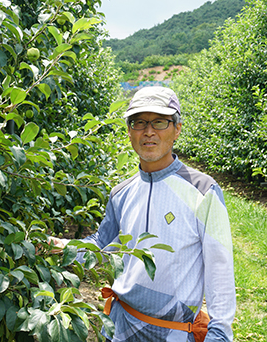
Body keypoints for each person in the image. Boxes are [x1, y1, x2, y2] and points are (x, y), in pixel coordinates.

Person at [51, 86, 236, 341]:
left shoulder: (203, 191)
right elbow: (102, 244)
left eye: (159, 122)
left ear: (177, 128)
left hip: (174, 333)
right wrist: (64, 246)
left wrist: (220, 332)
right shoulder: (121, 192)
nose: (148, 132)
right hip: (120, 327)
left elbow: (220, 268)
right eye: (139, 122)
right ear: (129, 131)